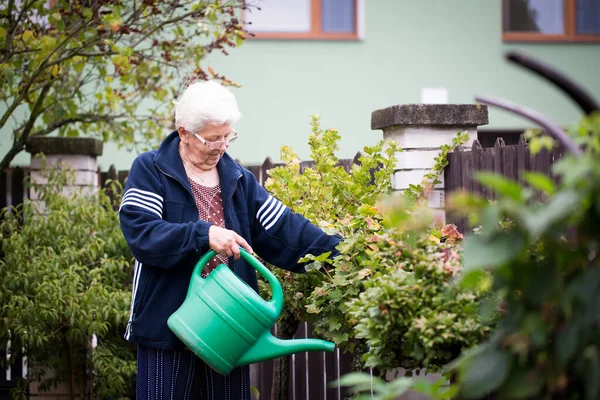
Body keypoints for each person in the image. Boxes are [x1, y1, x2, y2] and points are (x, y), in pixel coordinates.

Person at [119, 81, 341, 400]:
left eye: (228, 135)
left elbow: (284, 229)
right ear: (183, 132)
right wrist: (204, 234)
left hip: (228, 325)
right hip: (167, 327)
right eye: (213, 138)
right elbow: (144, 234)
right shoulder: (151, 170)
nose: (222, 145)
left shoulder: (237, 178)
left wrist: (342, 253)